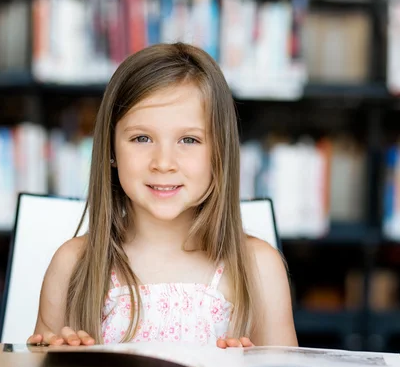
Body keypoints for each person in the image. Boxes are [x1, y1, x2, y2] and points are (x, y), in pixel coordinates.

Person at [27, 42, 298, 349]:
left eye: (189, 139)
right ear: (111, 149)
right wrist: (55, 362)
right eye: (142, 138)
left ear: (220, 152)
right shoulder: (73, 264)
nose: (164, 163)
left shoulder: (258, 267)